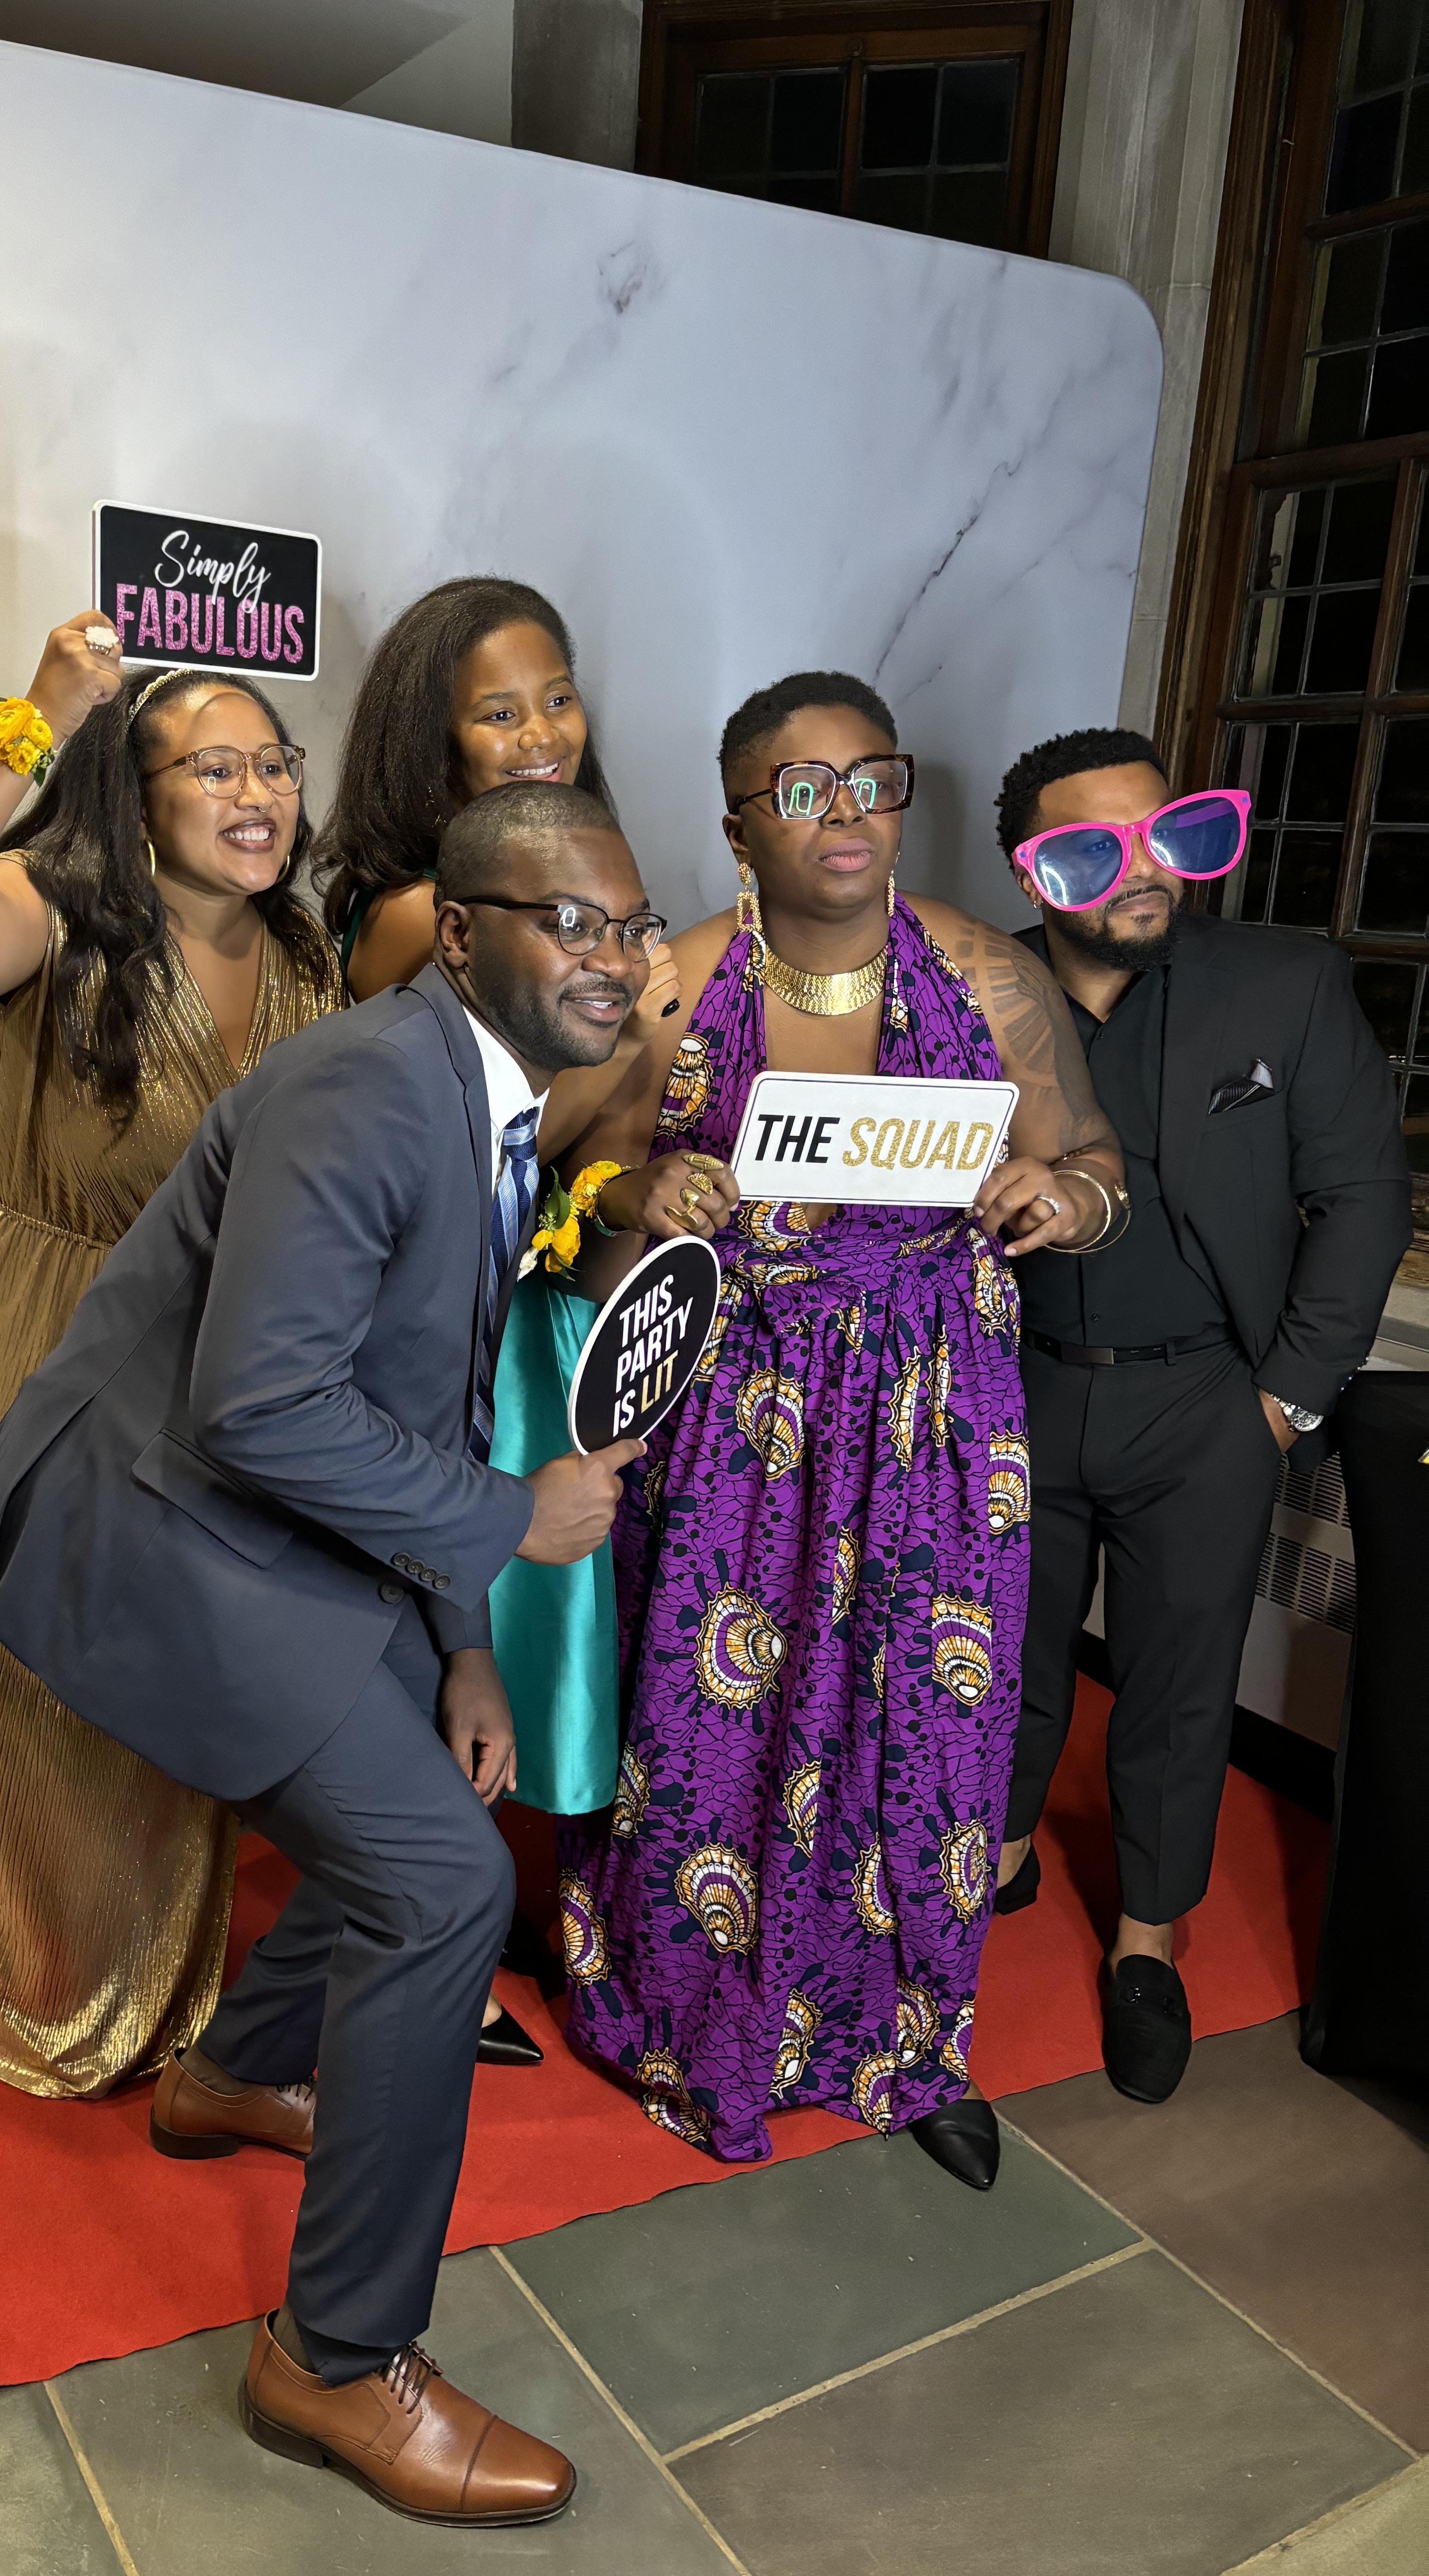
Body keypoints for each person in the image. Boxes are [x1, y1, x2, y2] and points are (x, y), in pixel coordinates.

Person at [0, 780, 652, 2525]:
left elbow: (411, 1392)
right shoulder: (370, 1084)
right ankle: (333, 2361)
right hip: (161, 1531)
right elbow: (261, 1406)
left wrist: (465, 1648)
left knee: (437, 1778)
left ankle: (236, 2075)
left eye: (633, 927)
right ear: (462, 933)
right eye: (570, 922)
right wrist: (510, 1522)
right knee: (440, 1885)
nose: (615, 959)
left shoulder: (485, 1095)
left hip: (280, 1532)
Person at [556, 672, 1124, 2188]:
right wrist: (638, 1195)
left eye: (872, 778)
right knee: (712, 1726)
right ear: (737, 821)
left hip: (939, 1414)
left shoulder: (985, 974)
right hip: (735, 1418)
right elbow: (575, 1190)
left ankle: (906, 2040)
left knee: (927, 1728)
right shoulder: (671, 988)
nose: (847, 813)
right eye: (802, 789)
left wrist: (1065, 1198)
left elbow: (1090, 1158)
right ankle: (692, 2016)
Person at [0, 613, 341, 2097]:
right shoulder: (51, 911)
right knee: (37, 1652)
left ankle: (166, 1975)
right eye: (212, 769)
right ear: (135, 790)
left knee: (171, 1654)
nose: (256, 794)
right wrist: (39, 715)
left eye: (273, 764)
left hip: (210, 1347)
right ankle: (44, 1986)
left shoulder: (303, 947)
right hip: (34, 1322)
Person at [990, 727, 1411, 2102]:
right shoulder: (971, 990)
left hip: (1207, 1403)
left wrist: (1283, 1401)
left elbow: (1362, 1198)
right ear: (1034, 870)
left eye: (1164, 834)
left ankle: (1146, 1940)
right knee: (1003, 1658)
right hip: (1010, 1389)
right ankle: (997, 1853)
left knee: (1176, 1686)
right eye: (1093, 847)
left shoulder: (1282, 985)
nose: (1142, 870)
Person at [318, 577, 697, 1879]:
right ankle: (422, 1901)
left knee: (528, 1622)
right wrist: (641, 1016)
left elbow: (579, 1154)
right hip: (432, 1316)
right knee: (437, 1610)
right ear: (432, 738)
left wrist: (634, 1186)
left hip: (536, 1303)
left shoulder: (579, 895)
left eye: (559, 697)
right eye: (498, 713)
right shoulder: (416, 913)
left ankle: (503, 1892)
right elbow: (510, 1120)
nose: (542, 732)